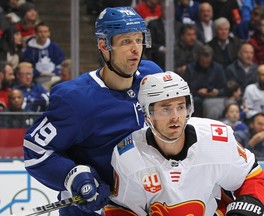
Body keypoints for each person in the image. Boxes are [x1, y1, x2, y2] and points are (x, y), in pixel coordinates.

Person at [23, 7, 162, 216]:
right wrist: (72, 176)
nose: (136, 49)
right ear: (104, 45)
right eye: (126, 41)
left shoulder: (152, 76)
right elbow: (35, 151)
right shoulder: (77, 99)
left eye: (138, 39)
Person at [105, 71, 264, 216]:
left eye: (180, 107)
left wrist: (248, 207)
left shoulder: (216, 139)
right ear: (148, 114)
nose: (175, 117)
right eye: (166, 109)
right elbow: (123, 208)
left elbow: (250, 174)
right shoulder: (130, 154)